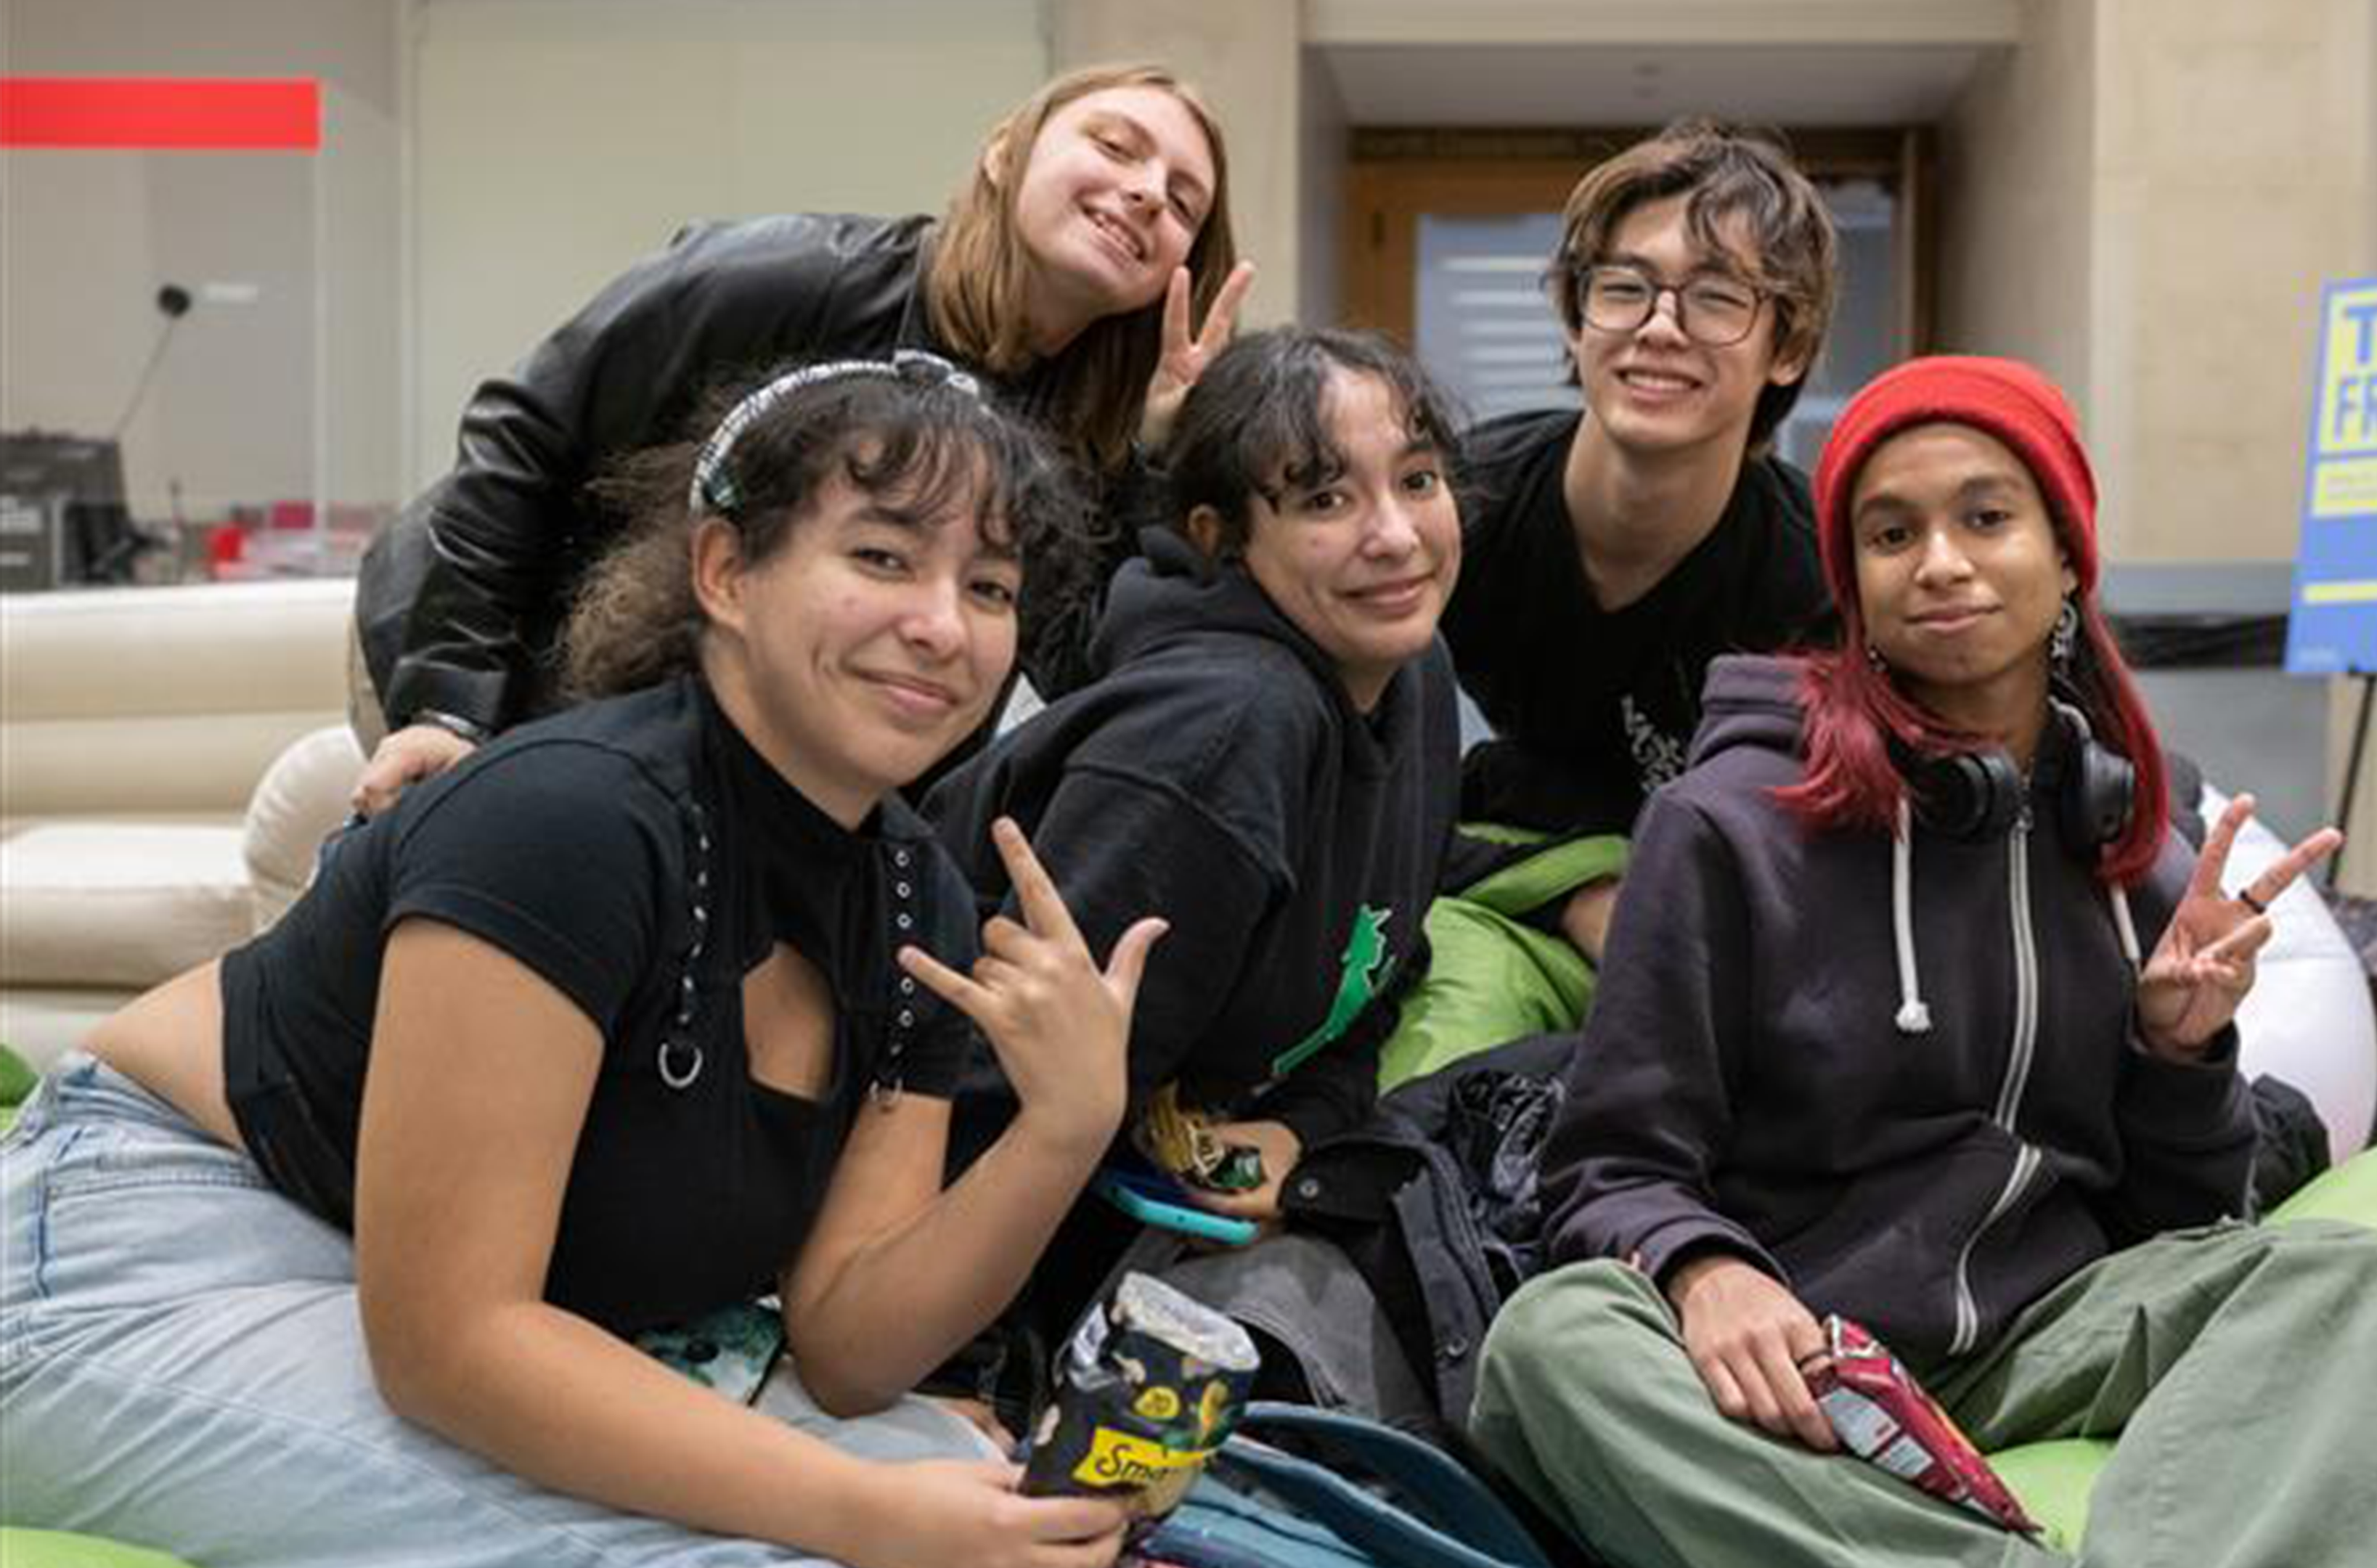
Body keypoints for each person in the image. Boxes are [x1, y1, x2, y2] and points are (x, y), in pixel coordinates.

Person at [2, 354, 1170, 1568]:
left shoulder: (916, 897)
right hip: (137, 1253)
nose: (942, 626)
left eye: (988, 586)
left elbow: (846, 1347)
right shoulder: (568, 820)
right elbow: (450, 1342)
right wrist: (865, 1516)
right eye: (882, 558)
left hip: (412, 1298)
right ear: (726, 572)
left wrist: (1063, 1127)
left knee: (964, 1480)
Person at [1467, 356, 2377, 1568]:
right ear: (1853, 589)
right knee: (1552, 1341)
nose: (1940, 563)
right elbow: (1611, 1166)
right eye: (1891, 534)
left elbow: (2181, 1223)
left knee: (2340, 1276)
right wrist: (1704, 1270)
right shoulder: (1725, 826)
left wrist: (2178, 1053)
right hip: (1801, 1346)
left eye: (1985, 518)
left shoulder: (2133, 851)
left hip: (2047, 1328)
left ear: (2066, 557)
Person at [353, 61, 1253, 817]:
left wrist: (1158, 454)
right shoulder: (793, 275)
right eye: (1115, 146)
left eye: (1183, 202)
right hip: (472, 631)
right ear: (1003, 152)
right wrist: (450, 708)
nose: (1147, 193)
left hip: (711, 719)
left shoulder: (1083, 437)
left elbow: (1055, 653)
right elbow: (522, 438)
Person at [929, 327, 1461, 1352]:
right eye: (1325, 499)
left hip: (1128, 1198)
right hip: (938, 1222)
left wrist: (1302, 1127)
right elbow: (988, 1089)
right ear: (1223, 538)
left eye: (1418, 480)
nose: (1397, 536)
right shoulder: (1224, 735)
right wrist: (967, 1375)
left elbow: (1380, 964)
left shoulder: (1413, 669)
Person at [1440, 121, 1840, 960]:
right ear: (1576, 316)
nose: (1660, 327)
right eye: (1625, 288)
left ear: (1790, 347)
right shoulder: (1456, 506)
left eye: (1718, 297)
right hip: (1508, 871)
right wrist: (1572, 895)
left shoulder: (1820, 581)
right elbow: (1344, 791)